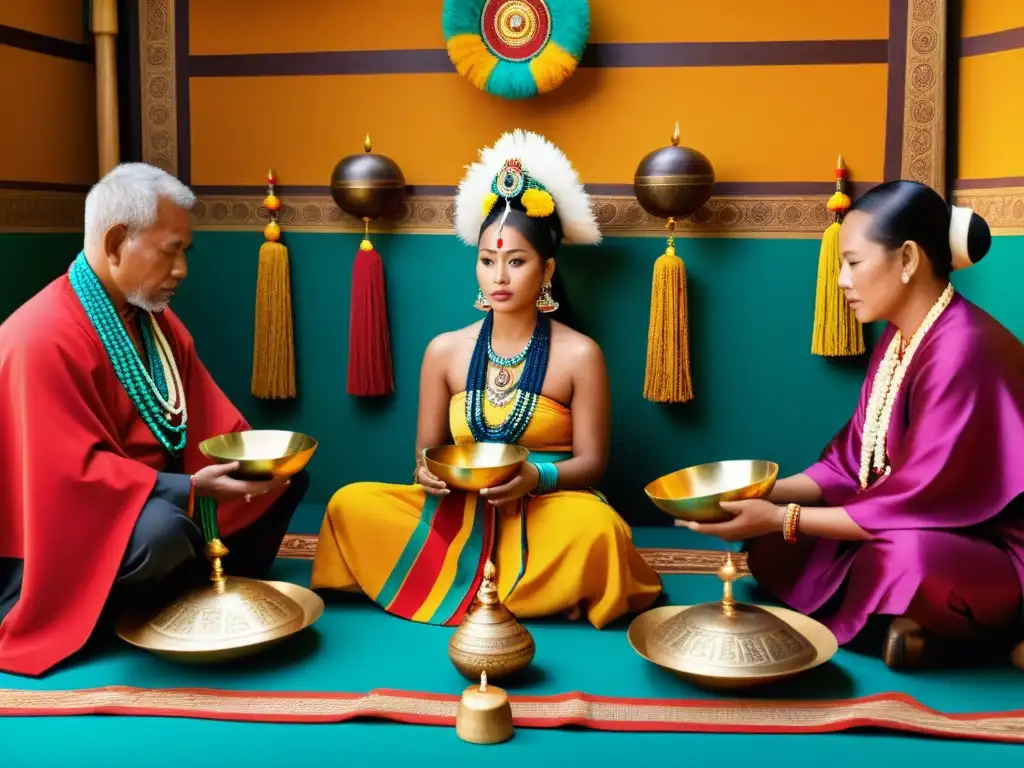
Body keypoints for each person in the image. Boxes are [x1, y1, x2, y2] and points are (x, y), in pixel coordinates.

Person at [311, 129, 663, 627]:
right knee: (349, 503)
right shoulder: (445, 350)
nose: (499, 277)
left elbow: (592, 464)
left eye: (516, 262)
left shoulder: (580, 354)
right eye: (487, 260)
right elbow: (424, 453)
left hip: (546, 508)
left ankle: (515, 587)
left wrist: (533, 478)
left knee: (599, 528)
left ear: (546, 270)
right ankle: (514, 591)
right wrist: (428, 474)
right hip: (455, 513)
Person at [685, 180, 1024, 669]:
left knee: (905, 561)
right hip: (905, 517)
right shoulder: (900, 336)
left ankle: (967, 631)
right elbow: (852, 464)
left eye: (854, 263)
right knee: (774, 548)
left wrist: (784, 517)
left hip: (991, 546)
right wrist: (763, 495)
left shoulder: (962, 347)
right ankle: (914, 628)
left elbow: (924, 497)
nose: (842, 280)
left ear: (907, 259)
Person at [0, 163, 309, 677]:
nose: (182, 269)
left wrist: (251, 461)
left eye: (185, 252)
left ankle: (205, 586)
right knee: (164, 533)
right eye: (172, 250)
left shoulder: (153, 320)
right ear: (117, 241)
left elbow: (202, 416)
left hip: (160, 491)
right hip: (70, 526)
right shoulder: (42, 336)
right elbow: (68, 480)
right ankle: (127, 607)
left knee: (281, 476)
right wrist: (185, 489)